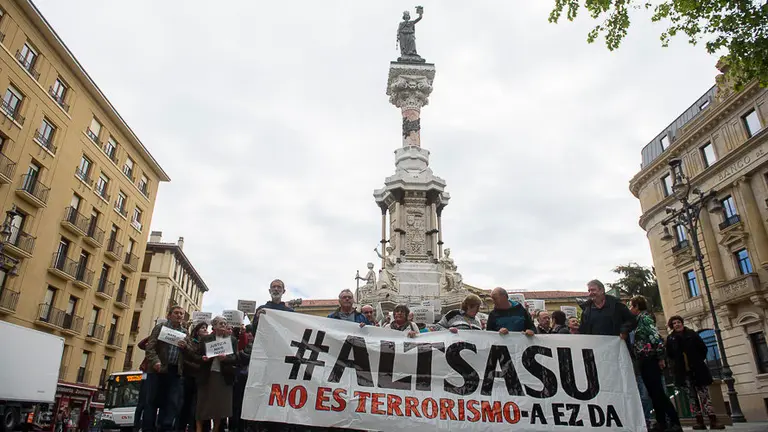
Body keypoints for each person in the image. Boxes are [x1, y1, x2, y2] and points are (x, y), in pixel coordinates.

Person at [630, 296, 682, 432]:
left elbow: (656, 338)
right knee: (653, 393)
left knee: (658, 392)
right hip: (643, 358)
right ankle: (661, 422)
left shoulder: (645, 319)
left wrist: (660, 357)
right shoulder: (638, 320)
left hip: (650, 358)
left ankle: (674, 422)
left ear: (637, 306)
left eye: (631, 306)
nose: (630, 309)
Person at [666, 315, 724, 430]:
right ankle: (699, 421)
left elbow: (703, 348)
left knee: (704, 396)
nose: (677, 325)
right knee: (692, 398)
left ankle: (713, 420)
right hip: (684, 372)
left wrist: (697, 360)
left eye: (678, 322)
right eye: (674, 323)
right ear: (672, 326)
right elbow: (670, 355)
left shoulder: (692, 334)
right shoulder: (671, 339)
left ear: (682, 323)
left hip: (698, 370)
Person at [143, 306, 187, 432]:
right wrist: (155, 361)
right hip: (157, 369)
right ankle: (148, 428)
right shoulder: (160, 328)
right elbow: (150, 347)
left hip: (174, 371)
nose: (179, 315)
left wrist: (186, 346)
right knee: (152, 401)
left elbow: (188, 351)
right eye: (176, 313)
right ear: (169, 315)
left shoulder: (184, 332)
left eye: (181, 314)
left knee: (171, 402)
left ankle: (165, 427)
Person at [196, 316, 238, 432]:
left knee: (218, 406)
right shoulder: (206, 339)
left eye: (225, 323)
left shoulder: (232, 340)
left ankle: (215, 429)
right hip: (207, 375)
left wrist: (226, 358)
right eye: (220, 323)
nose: (223, 325)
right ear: (214, 326)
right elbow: (197, 355)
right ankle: (199, 429)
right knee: (203, 404)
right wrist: (203, 358)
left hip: (223, 376)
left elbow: (235, 358)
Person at [179, 322, 208, 432]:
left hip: (200, 377)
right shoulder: (189, 341)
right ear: (197, 330)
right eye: (203, 328)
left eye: (206, 328)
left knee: (197, 405)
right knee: (186, 403)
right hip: (189, 375)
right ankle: (181, 427)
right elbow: (186, 357)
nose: (205, 330)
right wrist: (198, 365)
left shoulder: (206, 343)